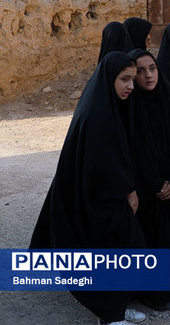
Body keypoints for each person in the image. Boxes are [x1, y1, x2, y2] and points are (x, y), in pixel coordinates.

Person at [29, 52, 146, 325]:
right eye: (124, 79)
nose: (130, 86)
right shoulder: (98, 113)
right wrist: (128, 191)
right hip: (98, 201)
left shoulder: (108, 105)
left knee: (127, 251)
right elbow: (100, 165)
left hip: (106, 197)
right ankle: (109, 315)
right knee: (120, 252)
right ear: (109, 79)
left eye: (132, 79)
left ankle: (115, 308)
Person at [129, 49, 170, 311]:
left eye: (152, 68)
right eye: (140, 71)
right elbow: (133, 152)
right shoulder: (131, 106)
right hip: (148, 189)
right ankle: (150, 292)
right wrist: (155, 184)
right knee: (151, 239)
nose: (148, 75)